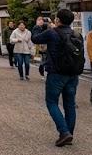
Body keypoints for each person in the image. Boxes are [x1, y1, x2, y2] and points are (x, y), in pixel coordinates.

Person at [32, 9, 84, 147]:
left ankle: (64, 132)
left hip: (56, 73)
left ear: (57, 20)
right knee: (69, 104)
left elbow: (35, 38)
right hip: (73, 74)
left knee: (52, 102)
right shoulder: (77, 34)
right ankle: (69, 133)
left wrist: (38, 25)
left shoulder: (52, 33)